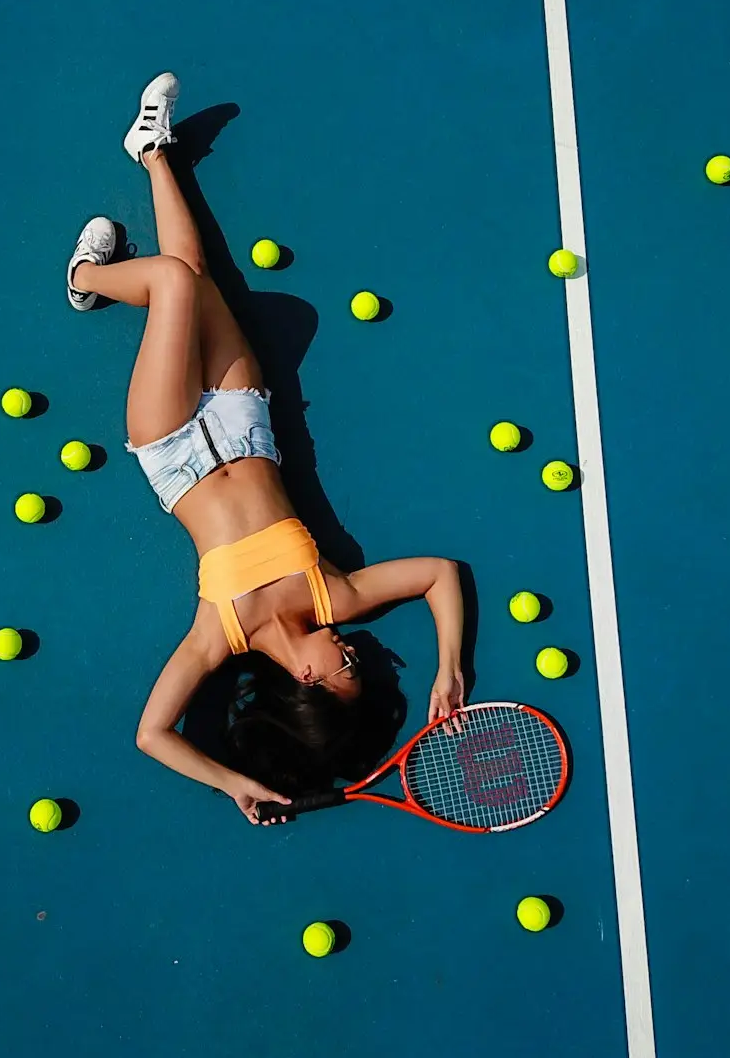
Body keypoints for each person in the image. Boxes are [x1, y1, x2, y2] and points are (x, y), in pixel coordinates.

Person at [67, 74, 468, 824]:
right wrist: (449, 669)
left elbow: (152, 734)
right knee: (198, 277)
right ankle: (153, 153)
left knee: (173, 283)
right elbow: (441, 574)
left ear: (308, 682)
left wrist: (233, 783)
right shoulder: (333, 596)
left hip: (172, 447)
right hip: (242, 419)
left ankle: (85, 277)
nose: (351, 649)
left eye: (344, 667)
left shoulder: (220, 635)